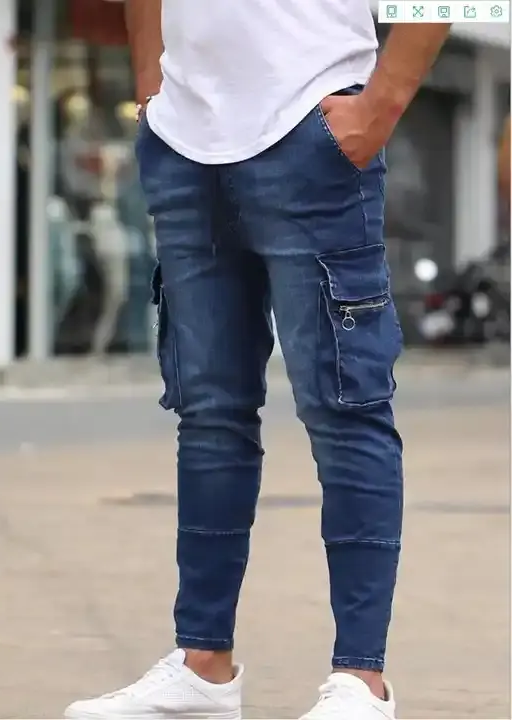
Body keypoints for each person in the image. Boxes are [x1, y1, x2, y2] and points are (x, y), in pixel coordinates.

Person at [65, 3, 450, 719]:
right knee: (208, 416)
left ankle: (361, 681)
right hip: (185, 143)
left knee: (345, 409)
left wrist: (381, 105)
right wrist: (153, 88)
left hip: (312, 129)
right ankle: (203, 669)